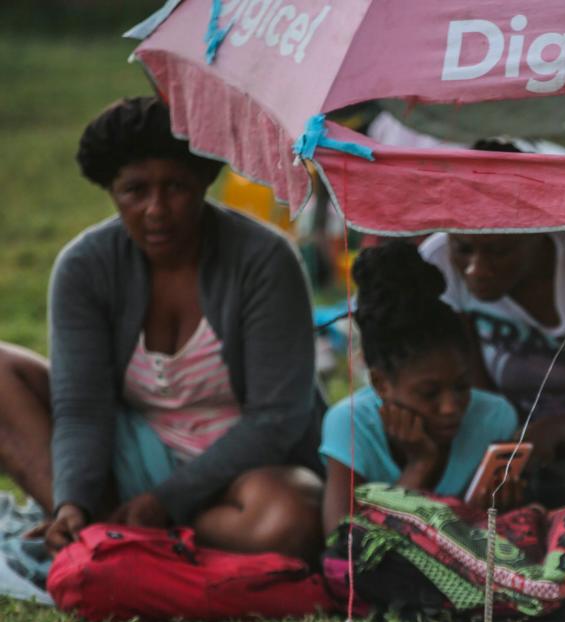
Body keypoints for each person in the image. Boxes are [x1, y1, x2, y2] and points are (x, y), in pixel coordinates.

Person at [0, 96, 323, 561]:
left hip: (241, 471)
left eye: (176, 186)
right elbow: (82, 408)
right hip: (133, 450)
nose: (156, 209)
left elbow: (278, 418)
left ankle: (133, 537)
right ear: (111, 190)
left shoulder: (264, 261)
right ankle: (84, 525)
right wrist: (72, 499)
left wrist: (165, 502)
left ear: (204, 181)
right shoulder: (84, 266)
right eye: (135, 190)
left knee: (292, 518)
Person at [418, 142, 565, 466]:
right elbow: (474, 393)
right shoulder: (438, 262)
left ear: (540, 231)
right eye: (464, 249)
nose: (476, 270)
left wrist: (543, 434)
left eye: (498, 252)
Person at [319, 241, 519, 536]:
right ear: (381, 384)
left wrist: (499, 510)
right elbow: (343, 546)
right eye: (429, 393)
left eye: (461, 386)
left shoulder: (495, 418)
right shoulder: (350, 424)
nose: (451, 407)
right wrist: (420, 466)